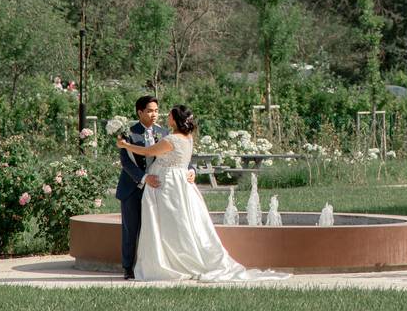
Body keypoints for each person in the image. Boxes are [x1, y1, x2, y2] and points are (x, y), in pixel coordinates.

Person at [116, 104, 289, 282]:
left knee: (169, 225)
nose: (163, 116)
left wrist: (125, 145)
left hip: (167, 185)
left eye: (168, 115)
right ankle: (166, 261)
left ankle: (173, 262)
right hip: (177, 184)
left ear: (175, 119)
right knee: (180, 223)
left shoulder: (170, 139)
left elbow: (147, 151)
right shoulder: (187, 137)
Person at [114, 95, 196, 280]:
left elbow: (179, 155)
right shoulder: (128, 133)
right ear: (140, 112)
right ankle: (128, 268)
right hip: (133, 188)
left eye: (156, 111)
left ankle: (155, 266)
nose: (154, 114)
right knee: (131, 229)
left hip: (159, 189)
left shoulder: (166, 132)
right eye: (150, 111)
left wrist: (192, 169)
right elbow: (126, 162)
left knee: (155, 229)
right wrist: (144, 178)